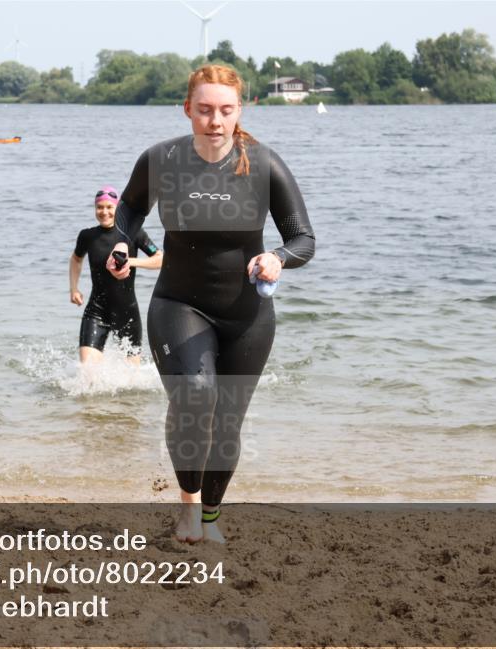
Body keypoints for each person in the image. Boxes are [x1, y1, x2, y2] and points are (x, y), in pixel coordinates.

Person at [107, 65, 315, 543]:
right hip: (178, 302)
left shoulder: (262, 164)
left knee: (226, 425)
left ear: (239, 110)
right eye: (204, 110)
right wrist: (123, 244)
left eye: (225, 110)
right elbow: (130, 209)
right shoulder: (162, 159)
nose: (214, 121)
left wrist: (278, 258)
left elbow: (303, 238)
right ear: (188, 109)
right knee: (194, 395)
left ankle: (213, 519)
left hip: (246, 314)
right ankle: (188, 509)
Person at [69, 186, 162, 364]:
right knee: (88, 372)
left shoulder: (133, 234)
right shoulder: (87, 236)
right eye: (100, 207)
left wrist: (131, 261)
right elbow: (75, 259)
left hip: (127, 313)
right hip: (96, 311)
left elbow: (160, 259)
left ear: (117, 209)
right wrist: (74, 288)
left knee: (132, 380)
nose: (104, 212)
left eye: (109, 207)